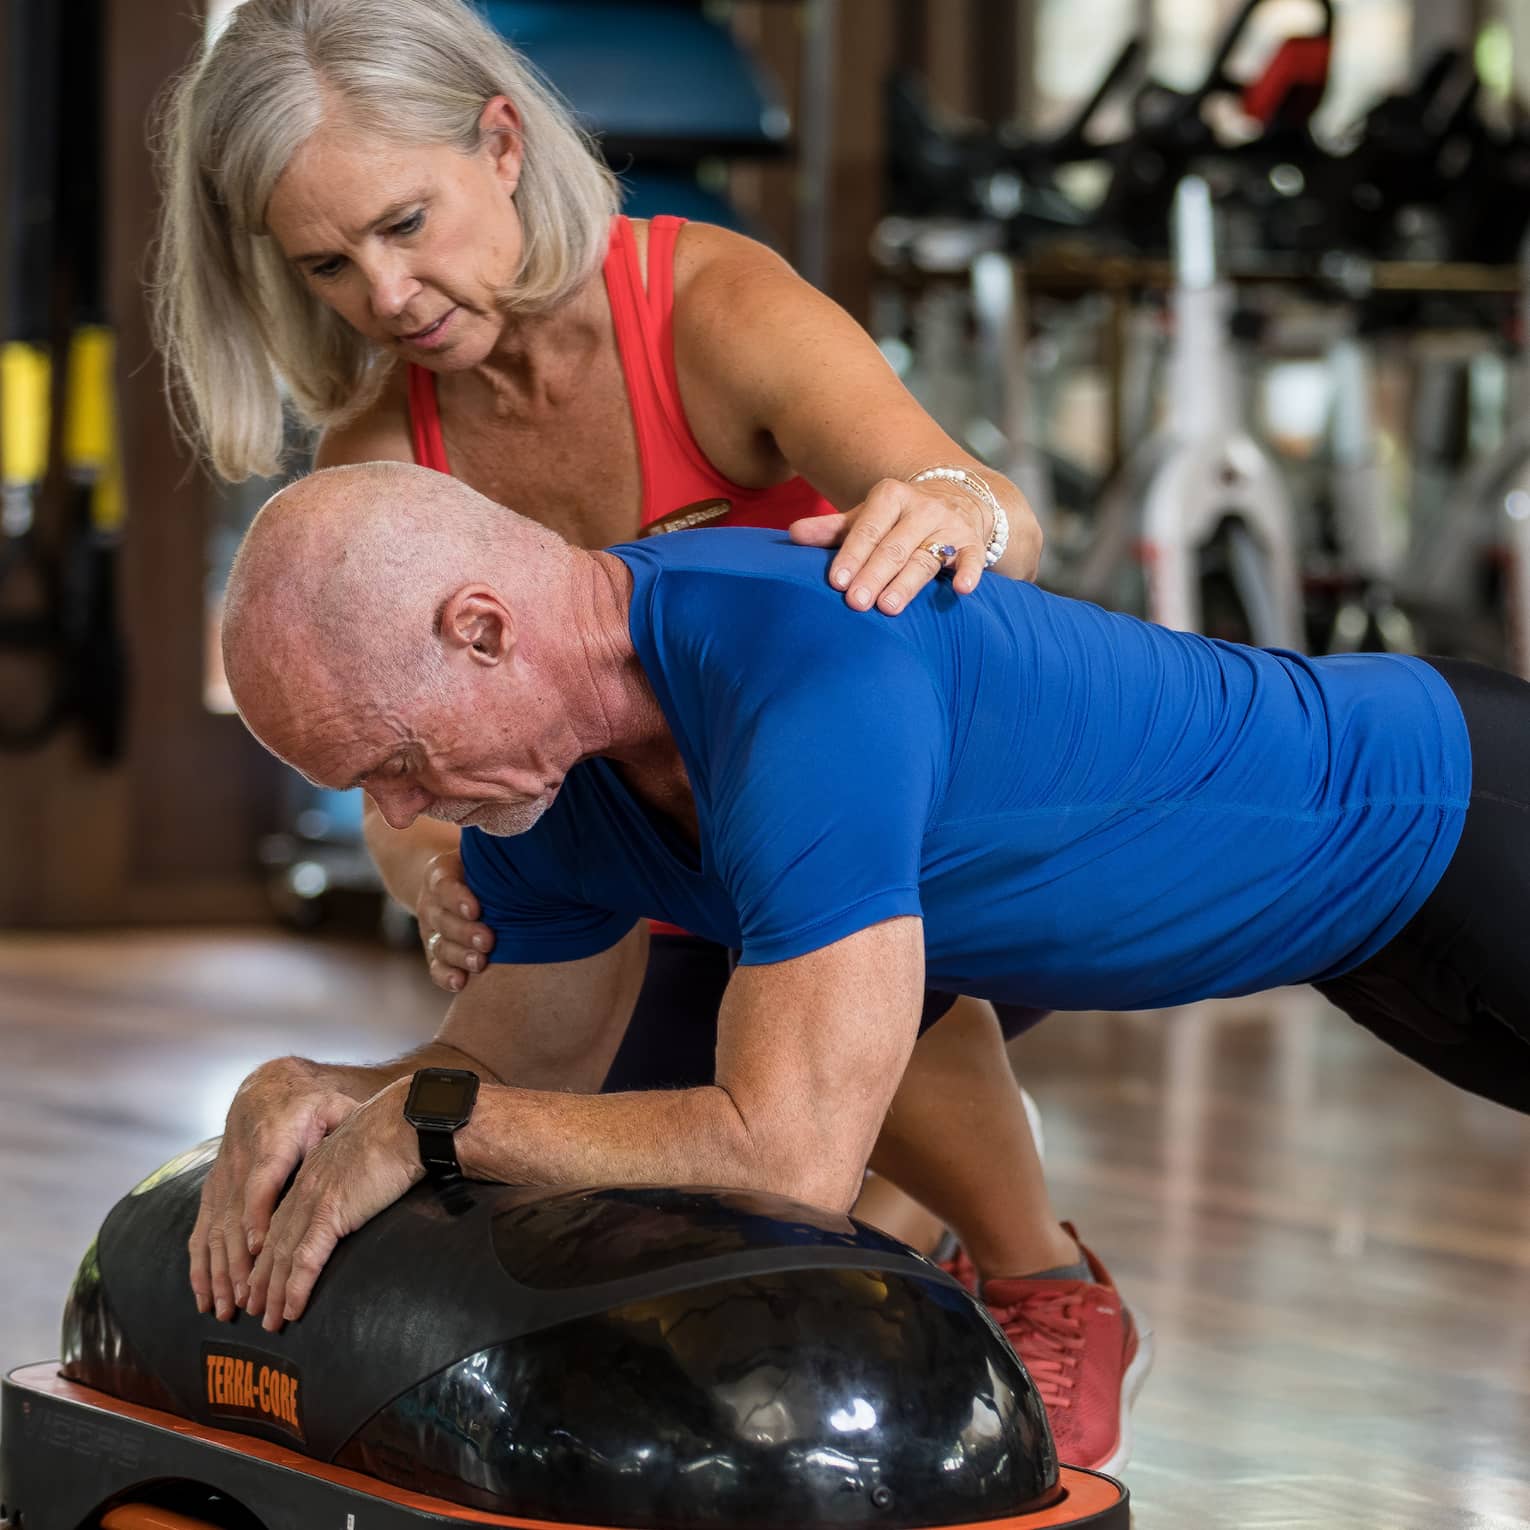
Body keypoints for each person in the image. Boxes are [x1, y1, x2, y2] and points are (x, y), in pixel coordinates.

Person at [154, 0, 1142, 1474]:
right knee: (615, 1164)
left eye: (406, 221)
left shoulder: (703, 310)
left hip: (889, 847)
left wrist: (959, 509)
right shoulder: (379, 455)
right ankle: (884, 1247)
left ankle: (1041, 1273)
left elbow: (985, 500)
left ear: (500, 144)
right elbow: (400, 775)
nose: (387, 288)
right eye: (328, 262)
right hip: (653, 898)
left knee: (785, 953)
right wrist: (432, 870)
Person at [216, 463, 1522, 1472]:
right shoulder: (547, 784)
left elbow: (788, 1153)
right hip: (1364, 938)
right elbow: (510, 1064)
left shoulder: (795, 672)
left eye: (388, 759)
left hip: (1460, 818)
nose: (396, 818)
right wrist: (324, 1088)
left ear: (483, 630)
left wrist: (429, 1123)